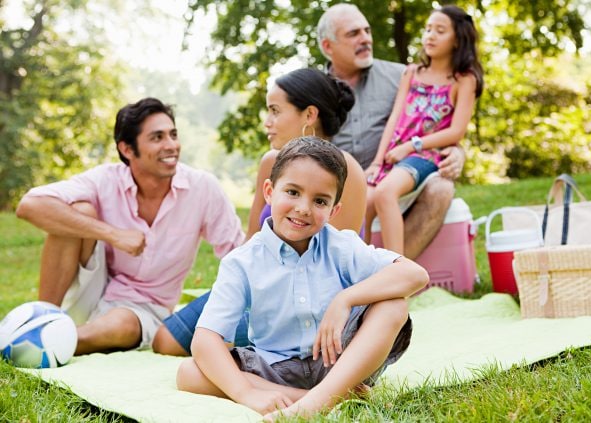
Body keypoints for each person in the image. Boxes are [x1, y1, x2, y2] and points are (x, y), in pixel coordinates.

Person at [175, 137, 428, 419]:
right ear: (270, 192)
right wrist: (247, 395)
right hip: (275, 371)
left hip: (340, 362)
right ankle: (319, 398)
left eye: (320, 201)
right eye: (293, 192)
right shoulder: (242, 262)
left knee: (394, 305)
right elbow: (205, 338)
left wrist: (346, 299)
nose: (304, 208)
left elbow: (415, 274)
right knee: (189, 372)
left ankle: (317, 402)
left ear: (334, 211)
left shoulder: (341, 245)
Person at [152, 68, 368, 356]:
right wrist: (232, 291)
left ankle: (260, 359)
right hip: (257, 286)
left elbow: (338, 266)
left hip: (306, 303)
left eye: (275, 111)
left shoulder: (347, 170)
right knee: (165, 340)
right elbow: (252, 239)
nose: (268, 123)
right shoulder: (271, 163)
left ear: (309, 116)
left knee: (212, 346)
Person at [15, 97, 244, 355]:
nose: (171, 146)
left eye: (173, 135)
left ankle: (42, 342)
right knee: (76, 212)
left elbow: (237, 255)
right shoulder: (105, 179)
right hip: (94, 287)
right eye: (157, 138)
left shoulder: (203, 188)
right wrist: (113, 234)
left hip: (145, 308)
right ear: (127, 149)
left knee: (121, 324)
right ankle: (43, 319)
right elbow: (30, 205)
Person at [317, 3, 467, 259]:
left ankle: (393, 279)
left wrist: (458, 153)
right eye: (354, 34)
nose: (366, 39)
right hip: (342, 192)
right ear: (328, 47)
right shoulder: (313, 92)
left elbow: (444, 123)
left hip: (400, 179)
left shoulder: (404, 76)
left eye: (367, 30)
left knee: (442, 189)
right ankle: (355, 277)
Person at [364, 5, 484, 254]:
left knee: (385, 193)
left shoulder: (464, 79)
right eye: (428, 29)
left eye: (439, 31)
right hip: (393, 152)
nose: (429, 35)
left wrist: (412, 145)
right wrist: (376, 161)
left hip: (424, 154)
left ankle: (397, 271)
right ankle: (358, 272)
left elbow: (456, 132)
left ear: (457, 39)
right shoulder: (412, 72)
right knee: (364, 202)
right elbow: (395, 119)